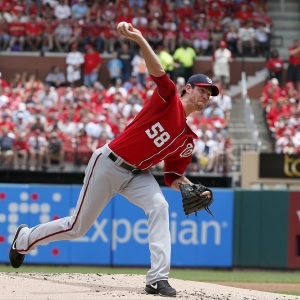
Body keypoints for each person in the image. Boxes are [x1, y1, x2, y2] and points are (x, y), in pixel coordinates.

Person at [9, 21, 216, 298]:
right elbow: (158, 73)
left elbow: (171, 177)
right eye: (202, 89)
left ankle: (157, 279)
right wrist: (141, 40)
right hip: (109, 163)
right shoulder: (169, 100)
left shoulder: (188, 141)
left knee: (160, 208)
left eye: (209, 94)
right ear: (187, 89)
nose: (205, 96)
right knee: (77, 227)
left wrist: (191, 187)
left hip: (138, 174)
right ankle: (24, 239)